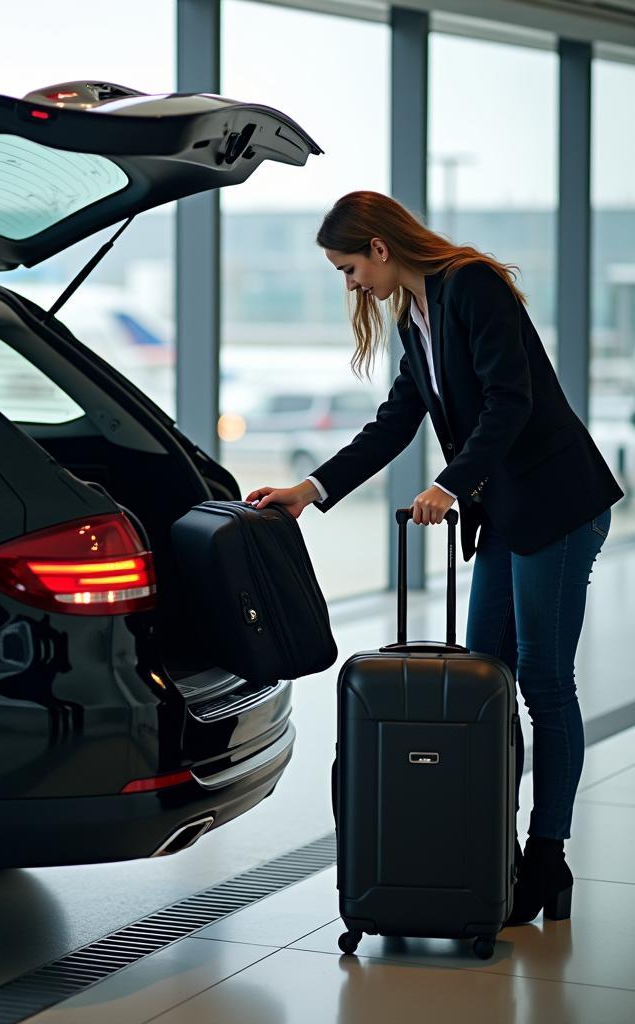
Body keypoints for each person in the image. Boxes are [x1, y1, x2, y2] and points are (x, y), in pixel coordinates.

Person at [247, 190, 623, 927]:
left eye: (349, 267)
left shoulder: (471, 286)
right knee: (485, 681)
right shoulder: (413, 321)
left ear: (380, 249)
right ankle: (494, 850)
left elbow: (508, 403)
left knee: (545, 683)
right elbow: (394, 423)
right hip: (510, 515)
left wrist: (451, 484)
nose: (349, 283)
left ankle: (548, 857)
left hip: (557, 505)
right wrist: (311, 489)